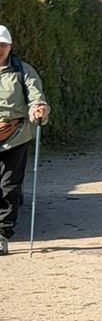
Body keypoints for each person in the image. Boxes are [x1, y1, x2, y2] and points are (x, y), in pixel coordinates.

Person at [0, 25, 50, 255]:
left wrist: (39, 109)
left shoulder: (23, 71)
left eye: (3, 45)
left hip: (15, 135)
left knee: (9, 185)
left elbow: (35, 96)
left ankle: (2, 234)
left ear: (10, 47)